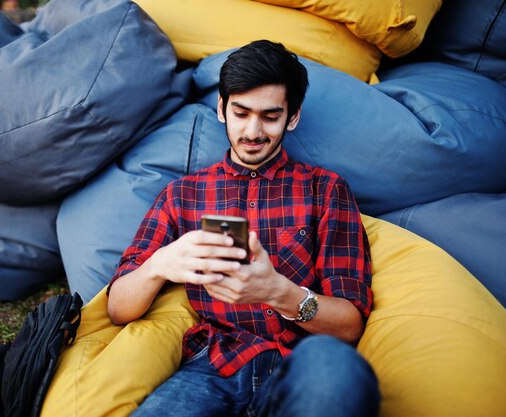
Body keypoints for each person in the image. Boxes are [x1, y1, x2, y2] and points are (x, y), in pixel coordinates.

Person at [107, 40, 380, 417]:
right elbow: (119, 308)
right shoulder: (181, 195)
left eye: (270, 116)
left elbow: (350, 325)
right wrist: (159, 264)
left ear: (292, 117)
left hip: (303, 365)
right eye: (241, 112)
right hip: (213, 367)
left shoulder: (326, 190)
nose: (253, 131)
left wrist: (280, 293)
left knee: (338, 370)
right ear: (221, 109)